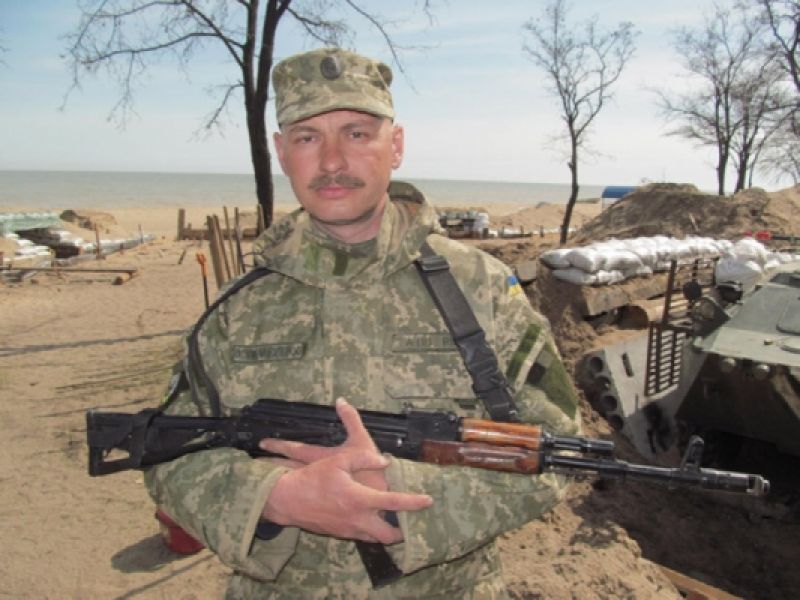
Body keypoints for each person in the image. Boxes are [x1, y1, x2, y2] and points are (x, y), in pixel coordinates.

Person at [145, 47, 581, 599]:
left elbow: (561, 449)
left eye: (356, 133)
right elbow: (166, 449)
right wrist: (272, 498)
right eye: (307, 137)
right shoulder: (237, 308)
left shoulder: (479, 288)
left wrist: (403, 499)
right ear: (281, 152)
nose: (331, 161)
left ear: (395, 145)